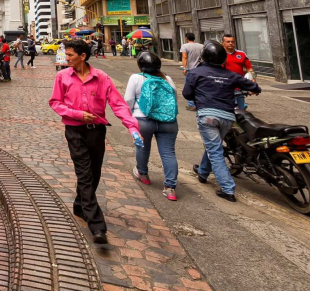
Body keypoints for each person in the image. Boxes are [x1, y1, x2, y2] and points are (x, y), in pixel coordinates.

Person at [50, 39, 143, 244]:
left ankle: (80, 205)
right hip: (74, 130)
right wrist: (77, 114)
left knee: (94, 172)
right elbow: (55, 103)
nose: (67, 58)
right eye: (66, 55)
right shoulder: (62, 77)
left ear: (83, 56)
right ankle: (97, 225)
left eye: (70, 55)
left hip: (97, 131)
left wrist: (132, 127)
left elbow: (118, 104)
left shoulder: (101, 77)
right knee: (84, 173)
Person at [184, 41, 261, 202]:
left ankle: (228, 189)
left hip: (207, 116)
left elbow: (187, 94)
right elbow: (254, 87)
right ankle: (203, 172)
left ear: (204, 57)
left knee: (215, 151)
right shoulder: (231, 75)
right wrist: (254, 89)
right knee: (215, 146)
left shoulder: (196, 73)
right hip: (227, 117)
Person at [125, 51, 180, 201]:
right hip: (168, 122)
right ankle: (170, 188)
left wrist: (130, 117)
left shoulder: (136, 78)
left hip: (143, 119)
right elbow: (174, 100)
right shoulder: (167, 78)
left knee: (142, 147)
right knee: (168, 153)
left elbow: (128, 99)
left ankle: (143, 174)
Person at [220, 34, 254, 111]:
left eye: (232, 41)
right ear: (223, 43)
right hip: (224, 87)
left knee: (241, 110)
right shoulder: (219, 55)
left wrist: (253, 83)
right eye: (228, 42)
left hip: (239, 87)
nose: (230, 43)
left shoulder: (241, 54)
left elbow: (249, 69)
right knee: (227, 110)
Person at [180, 33, 205, 110]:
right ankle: (200, 103)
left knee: (189, 86)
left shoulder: (184, 46)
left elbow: (184, 57)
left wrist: (184, 68)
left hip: (190, 69)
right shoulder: (201, 46)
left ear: (187, 38)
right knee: (199, 86)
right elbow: (203, 57)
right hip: (200, 68)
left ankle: (191, 104)